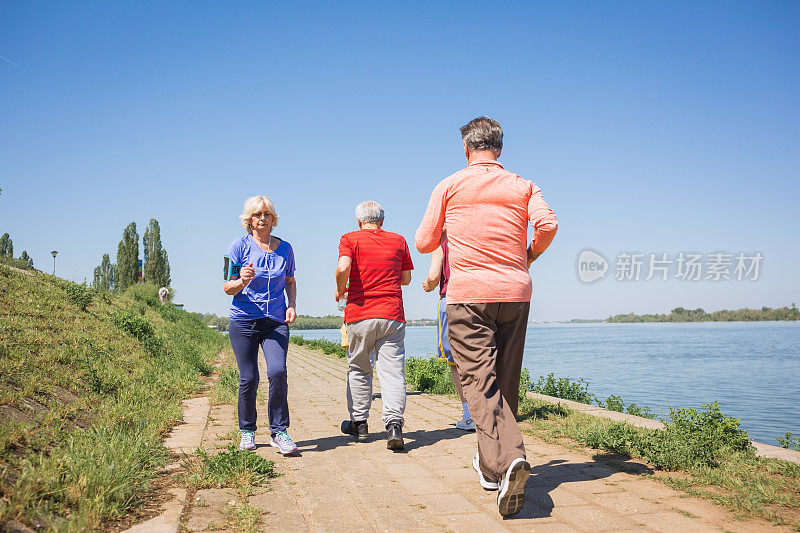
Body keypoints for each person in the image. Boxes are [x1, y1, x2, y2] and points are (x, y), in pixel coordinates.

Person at [415, 116, 558, 517]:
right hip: (515, 293)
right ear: (499, 148)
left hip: (469, 296)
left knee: (478, 381)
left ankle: (510, 458)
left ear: (466, 149)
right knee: (504, 380)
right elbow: (548, 224)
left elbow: (425, 240)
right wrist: (529, 254)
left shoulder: (450, 184)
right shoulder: (523, 185)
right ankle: (492, 466)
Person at [335, 200, 414, 450]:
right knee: (392, 372)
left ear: (359, 221)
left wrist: (340, 290)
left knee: (359, 368)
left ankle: (360, 424)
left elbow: (343, 267)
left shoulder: (349, 239)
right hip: (391, 314)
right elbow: (406, 279)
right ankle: (393, 425)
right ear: (382, 220)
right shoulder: (398, 240)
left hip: (359, 314)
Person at [223, 195, 299, 455]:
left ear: (273, 219)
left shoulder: (285, 248)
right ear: (249, 220)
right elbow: (227, 287)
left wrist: (292, 305)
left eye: (267, 214)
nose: (262, 219)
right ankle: (247, 430)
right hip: (244, 320)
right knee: (250, 377)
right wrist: (242, 280)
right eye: (257, 215)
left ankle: (279, 432)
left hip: (275, 322)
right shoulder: (237, 247)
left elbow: (290, 280)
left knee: (277, 371)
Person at [422, 237, 474, 431]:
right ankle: (492, 411)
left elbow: (434, 277)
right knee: (482, 357)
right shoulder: (475, 238)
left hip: (452, 300)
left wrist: (428, 285)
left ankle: (469, 415)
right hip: (480, 300)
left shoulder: (442, 244)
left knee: (455, 360)